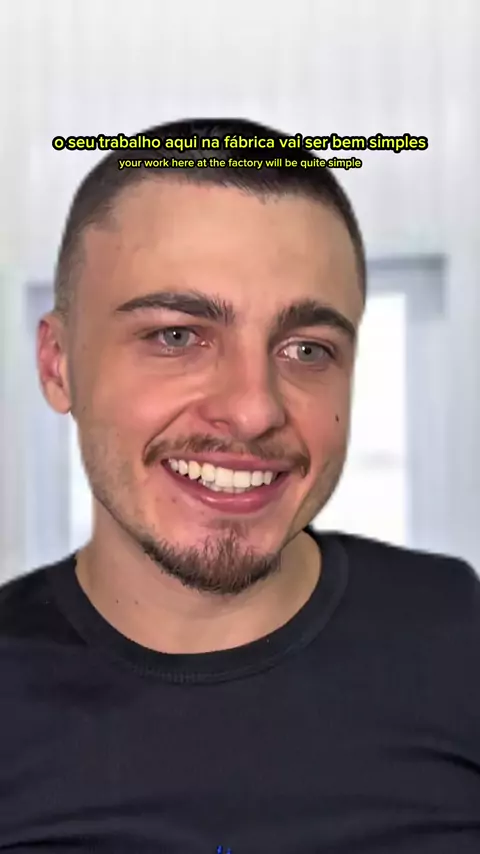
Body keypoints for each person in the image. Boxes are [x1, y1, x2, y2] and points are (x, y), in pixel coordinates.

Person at [0, 117, 479, 853]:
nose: (255, 410)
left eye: (307, 349)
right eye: (176, 336)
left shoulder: (459, 639)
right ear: (57, 364)